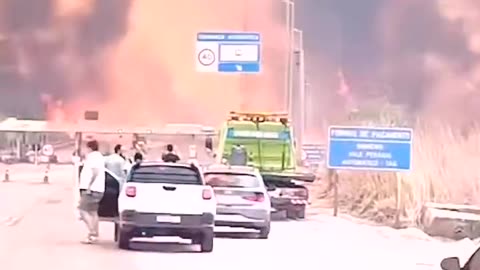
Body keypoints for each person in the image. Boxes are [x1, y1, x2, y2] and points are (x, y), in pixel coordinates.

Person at [78, 140, 105, 244]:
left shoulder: (93, 157)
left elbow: (95, 171)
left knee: (82, 210)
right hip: (97, 189)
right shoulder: (98, 157)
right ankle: (95, 235)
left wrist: (89, 186)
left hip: (91, 190)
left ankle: (92, 233)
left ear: (89, 148)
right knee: (93, 212)